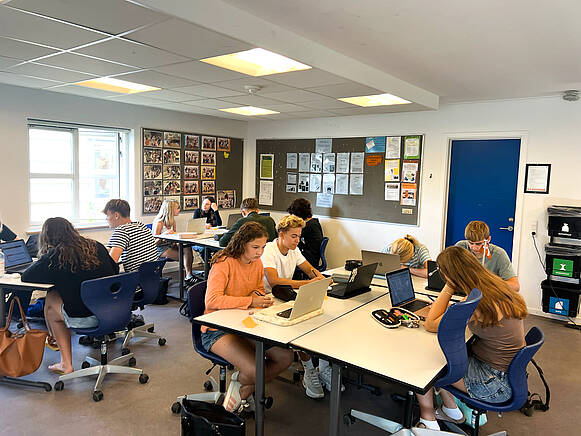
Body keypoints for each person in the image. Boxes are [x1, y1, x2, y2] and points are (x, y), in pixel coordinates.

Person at [415, 246, 527, 430]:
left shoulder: (477, 302)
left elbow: (431, 324)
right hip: (505, 374)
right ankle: (451, 410)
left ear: (451, 275)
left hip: (493, 384)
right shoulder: (492, 286)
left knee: (427, 365)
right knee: (445, 356)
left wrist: (449, 286)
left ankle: (428, 421)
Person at [202, 222, 294, 412]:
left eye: (263, 247)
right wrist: (250, 301)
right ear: (242, 243)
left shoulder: (257, 263)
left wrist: (260, 298)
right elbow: (211, 301)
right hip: (217, 328)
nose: (260, 252)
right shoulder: (223, 263)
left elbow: (258, 290)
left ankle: (242, 387)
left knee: (286, 357)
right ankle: (246, 386)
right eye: (255, 247)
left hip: (244, 323)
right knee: (255, 370)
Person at [21, 217, 118, 374]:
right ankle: (53, 340)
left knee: (51, 301)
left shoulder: (56, 256)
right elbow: (115, 270)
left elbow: (27, 276)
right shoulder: (96, 246)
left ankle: (65, 362)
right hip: (116, 310)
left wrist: (46, 256)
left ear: (47, 237)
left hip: (89, 318)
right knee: (54, 294)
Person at [261, 215, 330, 399]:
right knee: (301, 327)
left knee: (320, 320)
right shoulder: (269, 250)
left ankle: (323, 368)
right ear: (281, 234)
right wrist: (307, 284)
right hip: (268, 300)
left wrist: (322, 280)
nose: (297, 240)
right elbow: (274, 282)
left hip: (286, 297)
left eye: (299, 236)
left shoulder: (294, 249)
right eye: (293, 236)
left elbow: (309, 269)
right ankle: (309, 370)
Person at [455, 220, 520, 292]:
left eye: (479, 244)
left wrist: (489, 283)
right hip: (463, 292)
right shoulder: (461, 248)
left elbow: (515, 286)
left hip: (487, 293)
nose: (474, 247)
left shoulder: (499, 254)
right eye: (471, 243)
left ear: (488, 239)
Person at [103, 199, 158, 272]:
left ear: (116, 215)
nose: (106, 219)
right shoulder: (141, 226)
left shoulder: (122, 230)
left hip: (135, 277)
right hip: (153, 274)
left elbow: (112, 262)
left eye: (107, 215)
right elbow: (109, 249)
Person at [153, 199, 195, 282]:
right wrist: (163, 236)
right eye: (177, 208)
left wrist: (177, 243)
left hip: (170, 245)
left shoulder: (173, 221)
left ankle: (188, 276)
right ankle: (188, 276)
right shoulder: (159, 223)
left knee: (187, 248)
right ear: (170, 210)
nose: (179, 210)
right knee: (185, 257)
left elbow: (174, 238)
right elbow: (154, 243)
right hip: (161, 248)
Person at [287, 198, 324, 269]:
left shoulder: (308, 226)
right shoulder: (314, 222)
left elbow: (297, 243)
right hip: (314, 257)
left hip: (310, 258)